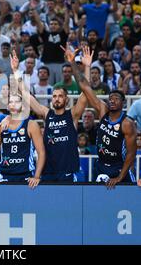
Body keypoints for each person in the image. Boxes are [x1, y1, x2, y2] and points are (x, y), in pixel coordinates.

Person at [10, 46, 91, 182]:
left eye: (60, 96)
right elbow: (26, 94)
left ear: (66, 99)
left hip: (68, 171)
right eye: (54, 96)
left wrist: (86, 67)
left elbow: (86, 93)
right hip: (48, 170)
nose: (57, 98)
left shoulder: (73, 114)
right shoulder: (46, 113)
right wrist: (16, 71)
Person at [66, 45, 137, 188]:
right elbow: (85, 87)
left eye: (116, 98)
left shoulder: (127, 123)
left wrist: (119, 177)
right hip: (101, 165)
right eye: (110, 97)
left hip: (119, 167)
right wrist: (73, 62)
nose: (112, 100)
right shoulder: (103, 110)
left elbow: (131, 154)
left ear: (123, 103)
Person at [0, 94, 45, 186]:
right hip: (5, 174)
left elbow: (41, 152)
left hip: (25, 175)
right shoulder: (0, 127)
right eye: (10, 102)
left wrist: (36, 176)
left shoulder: (31, 125)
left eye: (17, 102)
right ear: (7, 106)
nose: (13, 104)